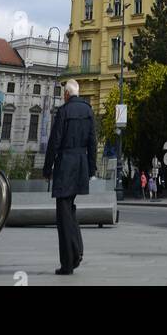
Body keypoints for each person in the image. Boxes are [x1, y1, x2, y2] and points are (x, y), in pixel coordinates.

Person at [43, 79, 97, 276]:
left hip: (65, 164)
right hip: (81, 163)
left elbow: (54, 141)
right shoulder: (88, 111)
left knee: (63, 214)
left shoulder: (64, 111)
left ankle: (69, 261)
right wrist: (92, 168)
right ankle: (77, 250)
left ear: (66, 94)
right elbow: (93, 141)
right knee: (69, 210)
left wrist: (47, 168)